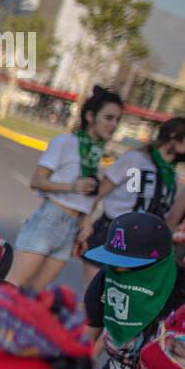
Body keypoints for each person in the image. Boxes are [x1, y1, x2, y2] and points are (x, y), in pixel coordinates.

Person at [9, 86, 123, 290]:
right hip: (50, 219)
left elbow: (88, 195)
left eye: (117, 120)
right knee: (12, 287)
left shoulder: (95, 153)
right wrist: (72, 186)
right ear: (90, 116)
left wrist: (86, 221)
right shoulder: (66, 143)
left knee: (35, 295)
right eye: (108, 118)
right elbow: (36, 180)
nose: (113, 125)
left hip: (72, 227)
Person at [82, 211, 185, 369]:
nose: (118, 270)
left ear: (157, 263)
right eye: (114, 261)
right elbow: (85, 337)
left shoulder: (180, 289)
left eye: (127, 263)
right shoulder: (108, 276)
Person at [77, 115, 185, 286]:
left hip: (142, 245)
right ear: (173, 136)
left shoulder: (171, 175)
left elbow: (168, 217)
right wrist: (86, 221)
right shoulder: (136, 159)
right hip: (113, 233)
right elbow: (100, 191)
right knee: (94, 299)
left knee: (117, 305)